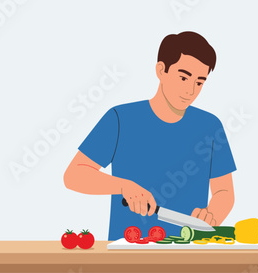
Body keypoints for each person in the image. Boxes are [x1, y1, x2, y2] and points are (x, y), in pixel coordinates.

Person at [64, 31, 236, 241]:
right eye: (183, 77)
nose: (191, 90)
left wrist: (212, 215)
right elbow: (74, 175)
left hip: (192, 250)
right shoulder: (120, 119)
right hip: (129, 249)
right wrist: (123, 185)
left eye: (200, 82)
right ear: (161, 70)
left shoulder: (210, 126)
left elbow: (224, 192)